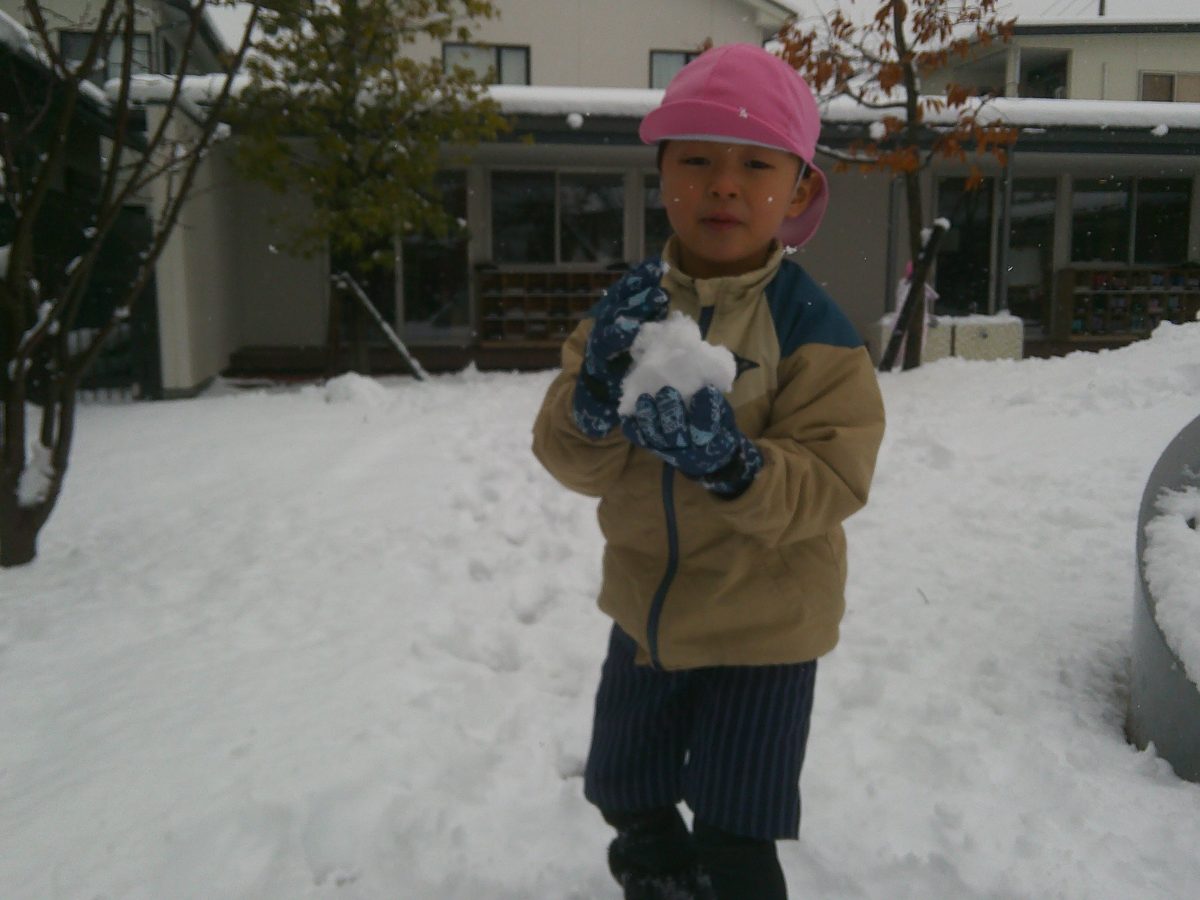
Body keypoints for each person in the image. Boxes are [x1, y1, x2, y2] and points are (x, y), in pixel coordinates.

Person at [531, 43, 885, 900]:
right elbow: (568, 458)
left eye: (756, 165)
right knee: (628, 794)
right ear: (664, 177)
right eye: (697, 160)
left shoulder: (814, 329)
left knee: (735, 830)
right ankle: (657, 880)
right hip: (647, 615)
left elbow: (835, 472)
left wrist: (736, 466)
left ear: (798, 191)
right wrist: (592, 403)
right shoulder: (628, 314)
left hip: (765, 628)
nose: (724, 184)